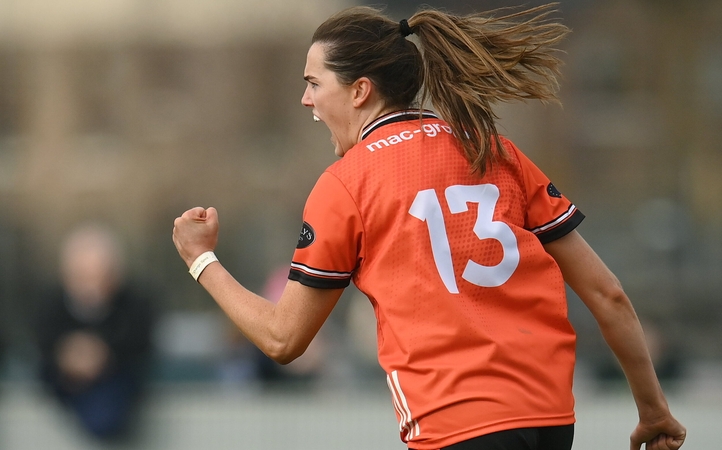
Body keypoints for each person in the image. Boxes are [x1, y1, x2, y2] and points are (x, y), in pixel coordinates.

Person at [172, 4, 686, 450]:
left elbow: (283, 339)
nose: (306, 99)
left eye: (313, 83)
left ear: (360, 92)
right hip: (550, 419)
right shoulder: (495, 150)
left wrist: (201, 259)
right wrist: (653, 409)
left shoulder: (347, 184)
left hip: (455, 425)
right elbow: (609, 295)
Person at [34, 223, 155, 440]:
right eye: (83, 276)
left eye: (99, 276)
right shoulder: (48, 305)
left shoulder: (136, 304)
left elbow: (140, 343)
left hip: (115, 384)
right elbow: (43, 344)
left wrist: (102, 354)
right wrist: (68, 356)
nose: (91, 286)